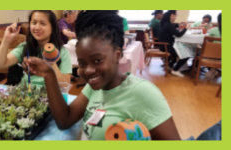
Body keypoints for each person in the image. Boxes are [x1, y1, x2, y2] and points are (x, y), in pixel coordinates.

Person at [23, 10, 181, 140]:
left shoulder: (143, 93)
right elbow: (65, 120)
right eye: (82, 63)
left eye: (98, 60)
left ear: (118, 54)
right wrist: (49, 75)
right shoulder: (95, 87)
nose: (89, 70)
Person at [0, 10, 72, 88]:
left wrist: (52, 63)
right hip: (26, 94)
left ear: (52, 27)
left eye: (43, 23)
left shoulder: (62, 52)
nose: (37, 28)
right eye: (34, 23)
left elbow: (65, 84)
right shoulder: (25, 47)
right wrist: (6, 39)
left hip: (50, 95)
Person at [159, 10, 190, 77]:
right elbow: (178, 34)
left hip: (164, 46)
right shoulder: (168, 24)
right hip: (167, 47)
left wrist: (178, 24)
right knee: (187, 54)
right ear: (172, 15)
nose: (176, 16)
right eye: (176, 15)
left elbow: (172, 28)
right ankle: (175, 70)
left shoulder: (166, 23)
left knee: (178, 54)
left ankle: (170, 66)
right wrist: (186, 28)